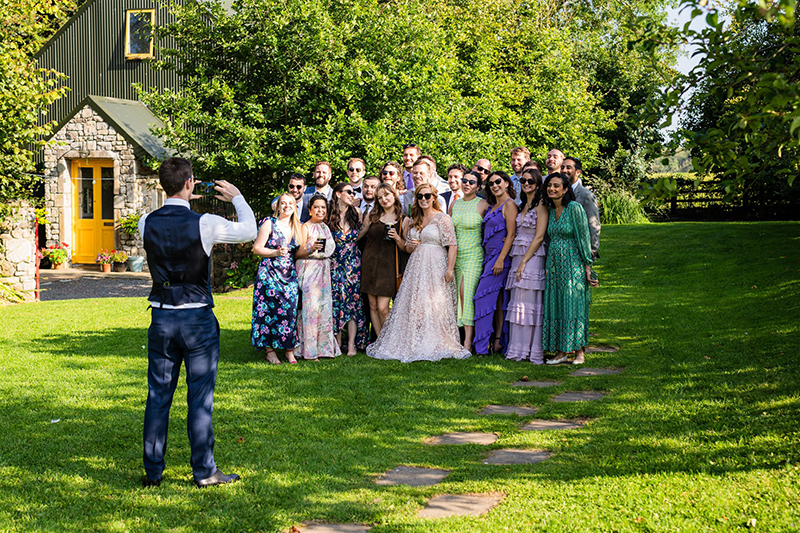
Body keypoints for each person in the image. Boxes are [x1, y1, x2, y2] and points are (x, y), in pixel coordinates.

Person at [139, 156, 257, 488]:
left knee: (158, 396)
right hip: (196, 319)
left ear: (163, 185)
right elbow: (249, 230)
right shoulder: (205, 223)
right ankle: (204, 471)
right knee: (199, 397)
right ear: (190, 183)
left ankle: (153, 472)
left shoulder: (146, 222)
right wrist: (237, 198)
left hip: (162, 316)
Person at [366, 183, 470, 362]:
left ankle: (434, 342)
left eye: (427, 196)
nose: (423, 199)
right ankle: (415, 341)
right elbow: (406, 248)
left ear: (434, 198)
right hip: (416, 265)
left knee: (434, 303)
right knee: (416, 304)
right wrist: (409, 244)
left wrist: (449, 269)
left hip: (436, 263)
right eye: (420, 196)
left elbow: (452, 244)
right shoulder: (415, 218)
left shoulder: (443, 218)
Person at [541, 173, 598, 365]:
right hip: (554, 265)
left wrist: (588, 268)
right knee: (557, 305)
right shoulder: (550, 210)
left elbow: (584, 238)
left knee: (573, 305)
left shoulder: (574, 208)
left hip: (573, 264)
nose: (552, 189)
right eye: (549, 185)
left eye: (556, 186)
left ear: (565, 189)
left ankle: (579, 351)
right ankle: (561, 352)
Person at [252, 193, 303, 365]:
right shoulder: (269, 223)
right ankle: (270, 351)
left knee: (290, 311)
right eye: (283, 203)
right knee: (268, 311)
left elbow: (298, 252)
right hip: (269, 273)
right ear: (278, 206)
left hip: (289, 274)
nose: (287, 206)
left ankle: (289, 350)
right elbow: (257, 248)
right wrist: (275, 252)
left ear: (295, 207)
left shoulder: (298, 227)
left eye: (290, 203)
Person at [505, 168, 549, 363]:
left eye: (531, 181)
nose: (527, 184)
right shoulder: (522, 204)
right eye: (523, 180)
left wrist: (524, 261)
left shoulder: (541, 205)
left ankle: (532, 349)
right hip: (517, 255)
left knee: (529, 301)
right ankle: (517, 349)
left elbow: (539, 236)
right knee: (518, 301)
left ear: (538, 184)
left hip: (533, 255)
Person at [473, 171, 518, 355]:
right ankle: (497, 341)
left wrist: (500, 259)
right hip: (488, 256)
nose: (494, 185)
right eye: (491, 183)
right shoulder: (492, 206)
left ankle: (481, 347)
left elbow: (511, 234)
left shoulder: (510, 204)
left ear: (507, 183)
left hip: (500, 258)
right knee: (498, 302)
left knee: (481, 298)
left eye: (498, 181)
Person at [294, 194, 340, 360]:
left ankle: (324, 349)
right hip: (309, 270)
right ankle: (309, 351)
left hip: (323, 272)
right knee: (310, 310)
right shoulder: (305, 227)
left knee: (323, 310)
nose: (320, 210)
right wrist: (310, 249)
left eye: (323, 207)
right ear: (309, 210)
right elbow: (296, 253)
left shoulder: (325, 227)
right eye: (316, 207)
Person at [358, 183, 406, 336]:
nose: (384, 199)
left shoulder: (403, 219)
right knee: (372, 306)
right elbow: (359, 235)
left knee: (383, 308)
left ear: (394, 195)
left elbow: (405, 248)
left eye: (386, 195)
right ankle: (379, 341)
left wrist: (397, 238)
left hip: (388, 268)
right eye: (380, 197)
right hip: (369, 264)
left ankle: (389, 340)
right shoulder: (372, 216)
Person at [449, 170, 489, 352]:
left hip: (474, 255)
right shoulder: (454, 204)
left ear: (478, 187)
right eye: (464, 180)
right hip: (456, 256)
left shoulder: (483, 204)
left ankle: (468, 341)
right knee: (457, 295)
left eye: (472, 182)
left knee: (466, 293)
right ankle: (457, 336)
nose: (466, 184)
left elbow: (494, 226)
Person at [329, 182, 368, 355]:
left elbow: (360, 233)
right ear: (338, 194)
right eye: (349, 192)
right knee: (336, 301)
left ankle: (352, 343)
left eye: (353, 193)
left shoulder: (356, 212)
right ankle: (337, 340)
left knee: (353, 302)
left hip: (353, 263)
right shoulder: (329, 214)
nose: (352, 195)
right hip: (335, 263)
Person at [561, 157, 601, 259]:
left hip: (580, 253)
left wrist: (590, 253)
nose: (564, 170)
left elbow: (594, 226)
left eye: (568, 167)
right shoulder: (558, 193)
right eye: (562, 167)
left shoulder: (586, 196)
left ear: (578, 172)